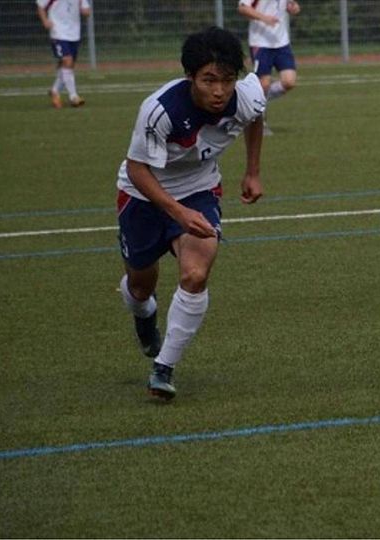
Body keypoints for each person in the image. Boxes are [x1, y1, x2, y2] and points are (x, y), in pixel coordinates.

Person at [115, 27, 267, 401]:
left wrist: (252, 171)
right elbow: (137, 169)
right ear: (191, 78)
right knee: (139, 286)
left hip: (200, 190)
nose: (219, 90)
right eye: (208, 80)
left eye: (227, 80)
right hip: (143, 194)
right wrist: (176, 212)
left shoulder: (245, 98)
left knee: (196, 273)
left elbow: (256, 118)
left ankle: (163, 367)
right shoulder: (160, 110)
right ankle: (143, 313)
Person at [238, 0, 301, 102]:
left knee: (289, 81)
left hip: (281, 42)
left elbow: (291, 5)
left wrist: (293, 7)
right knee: (264, 84)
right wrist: (264, 18)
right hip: (260, 43)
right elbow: (243, 8)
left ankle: (257, 102)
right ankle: (253, 102)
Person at [36, 0, 91, 108]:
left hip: (74, 34)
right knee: (67, 61)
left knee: (68, 66)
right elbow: (40, 6)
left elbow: (87, 11)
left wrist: (85, 11)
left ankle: (54, 91)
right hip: (58, 32)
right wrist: (45, 20)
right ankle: (73, 97)